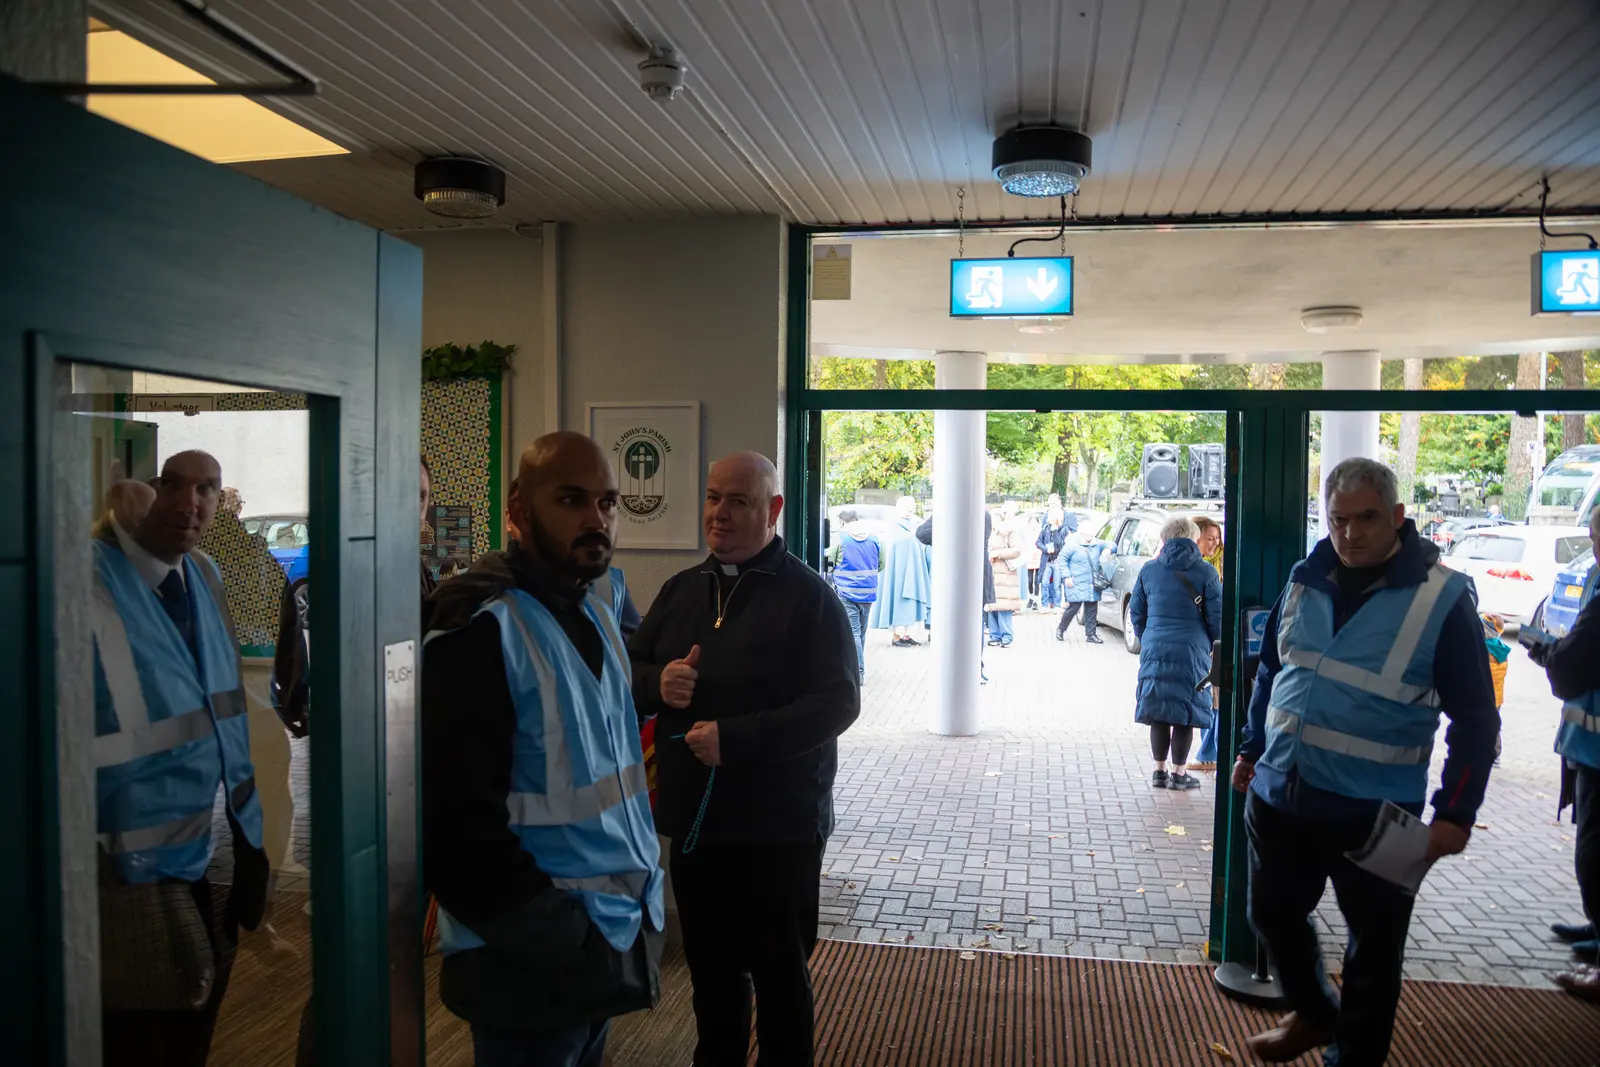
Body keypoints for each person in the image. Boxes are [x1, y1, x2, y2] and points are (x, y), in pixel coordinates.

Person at [1233, 458, 1498, 1065]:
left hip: (1379, 813)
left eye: (1367, 519)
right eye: (1338, 519)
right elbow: (1274, 672)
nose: (1350, 533)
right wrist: (1251, 748)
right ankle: (1315, 1011)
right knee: (1270, 913)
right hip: (1283, 794)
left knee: (1375, 954)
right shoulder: (1306, 577)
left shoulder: (1444, 599)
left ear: (1398, 518)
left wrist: (1456, 811)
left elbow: (1477, 721)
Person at [421, 432, 664, 1067]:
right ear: (519, 510)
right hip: (526, 959)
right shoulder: (479, 629)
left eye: (608, 502)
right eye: (571, 500)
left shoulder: (597, 611)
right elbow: (454, 829)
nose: (596, 519)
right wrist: (556, 933)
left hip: (599, 941)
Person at [629, 451, 859, 1067]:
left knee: (781, 979)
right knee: (711, 979)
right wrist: (658, 682)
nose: (720, 514)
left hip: (777, 828)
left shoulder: (809, 598)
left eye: (739, 501)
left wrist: (739, 739)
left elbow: (838, 703)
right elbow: (628, 671)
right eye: (712, 497)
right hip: (699, 827)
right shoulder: (681, 591)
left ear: (773, 509)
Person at [95, 451, 269, 1067]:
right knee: (147, 1030)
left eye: (207, 489)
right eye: (172, 484)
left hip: (216, 841)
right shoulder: (88, 578)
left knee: (201, 1006)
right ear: (142, 491)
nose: (188, 501)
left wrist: (252, 843)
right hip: (120, 863)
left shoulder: (205, 574)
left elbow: (224, 712)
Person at [1530, 503, 1600, 997]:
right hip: (1589, 746)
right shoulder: (1596, 578)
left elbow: (1578, 658)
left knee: (1595, 857)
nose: (1595, 545)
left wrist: (1544, 649)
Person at [1130, 516, 1221, 791]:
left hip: (1155, 645)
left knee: (1158, 709)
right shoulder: (1206, 573)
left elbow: (1136, 611)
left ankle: (1159, 771)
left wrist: (1148, 636)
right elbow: (1217, 617)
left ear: (1164, 539)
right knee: (1185, 712)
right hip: (1192, 650)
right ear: (1194, 539)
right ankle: (1179, 774)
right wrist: (1213, 643)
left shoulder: (1149, 570)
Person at [917, 507, 994, 683]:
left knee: (954, 622)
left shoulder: (947, 513)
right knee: (976, 623)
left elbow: (921, 534)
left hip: (956, 575)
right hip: (978, 574)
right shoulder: (985, 515)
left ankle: (957, 667)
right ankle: (976, 668)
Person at [870, 496, 931, 646]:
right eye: (906, 507)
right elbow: (892, 548)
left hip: (913, 571)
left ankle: (906, 635)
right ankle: (897, 636)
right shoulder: (893, 526)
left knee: (910, 602)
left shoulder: (915, 525)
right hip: (897, 573)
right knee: (896, 598)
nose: (910, 510)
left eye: (912, 507)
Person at [830, 508, 882, 683]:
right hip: (868, 592)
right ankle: (858, 668)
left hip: (847, 592)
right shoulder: (874, 538)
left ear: (843, 522)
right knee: (861, 633)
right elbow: (881, 563)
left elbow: (830, 560)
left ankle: (858, 672)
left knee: (853, 633)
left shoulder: (841, 538)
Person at [1192, 515, 1225, 770]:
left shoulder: (1220, 565)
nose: (1215, 544)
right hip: (1203, 641)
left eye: (1217, 538)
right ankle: (1208, 752)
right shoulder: (1197, 568)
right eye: (1210, 538)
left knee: (1215, 698)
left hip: (1215, 641)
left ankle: (1209, 754)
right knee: (1209, 696)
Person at [1055, 529, 1104, 644]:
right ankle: (1061, 629)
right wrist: (1067, 576)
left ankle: (1091, 635)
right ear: (1082, 533)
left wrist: (1108, 549)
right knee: (1074, 607)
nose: (1090, 535)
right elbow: (1062, 559)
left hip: (1091, 582)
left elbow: (1112, 544)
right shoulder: (1072, 544)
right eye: (1088, 533)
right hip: (1077, 581)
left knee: (1092, 607)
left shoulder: (1097, 544)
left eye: (1092, 533)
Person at [986, 502, 1023, 647]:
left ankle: (1007, 636)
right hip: (992, 573)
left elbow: (1017, 550)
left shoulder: (1009, 532)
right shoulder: (991, 532)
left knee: (1004, 606)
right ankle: (995, 635)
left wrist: (998, 554)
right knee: (991, 605)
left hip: (1005, 574)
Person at [1036, 501, 1072, 612]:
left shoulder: (1064, 530)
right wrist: (1046, 549)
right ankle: (1044, 604)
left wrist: (1062, 554)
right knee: (1045, 583)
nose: (1048, 518)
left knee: (1057, 585)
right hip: (1047, 560)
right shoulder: (1045, 528)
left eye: (1051, 516)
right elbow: (1038, 542)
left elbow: (1069, 544)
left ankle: (1057, 605)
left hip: (1057, 561)